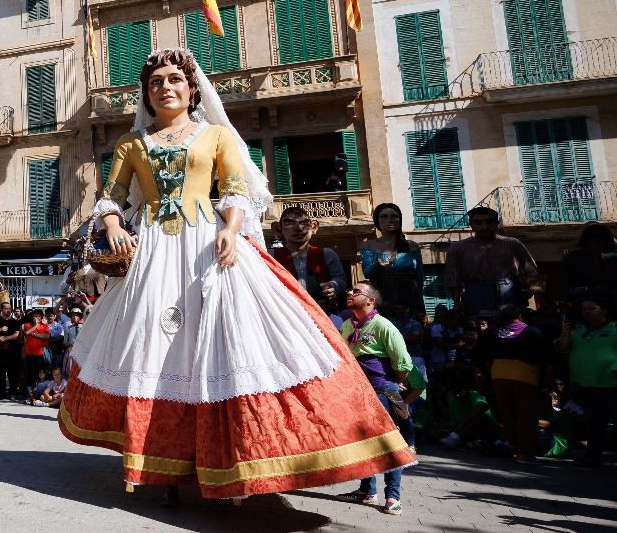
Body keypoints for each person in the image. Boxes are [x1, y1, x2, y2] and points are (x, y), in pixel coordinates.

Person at [58, 49, 412, 501]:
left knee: (219, 345)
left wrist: (229, 229)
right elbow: (110, 197)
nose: (165, 87)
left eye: (174, 80)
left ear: (191, 89)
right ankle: (153, 460)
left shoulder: (216, 136)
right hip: (151, 253)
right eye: (155, 83)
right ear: (146, 95)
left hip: (206, 244)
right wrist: (113, 227)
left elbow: (235, 189)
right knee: (152, 345)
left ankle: (228, 462)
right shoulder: (132, 145)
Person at [340, 283, 419, 515]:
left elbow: (403, 362)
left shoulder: (384, 326)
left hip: (383, 390)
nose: (349, 293)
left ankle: (393, 496)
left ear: (370, 300)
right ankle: (367, 490)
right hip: (357, 391)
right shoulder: (347, 325)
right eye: (350, 290)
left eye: (356, 291)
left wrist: (393, 383)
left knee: (389, 442)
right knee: (362, 441)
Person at [477, 304, 551, 462]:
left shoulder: (491, 332)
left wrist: (482, 371)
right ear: (520, 317)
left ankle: (510, 446)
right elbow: (545, 356)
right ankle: (523, 453)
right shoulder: (532, 332)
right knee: (525, 415)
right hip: (526, 376)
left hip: (499, 376)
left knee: (507, 414)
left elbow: (479, 355)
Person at [445, 207, 538, 318]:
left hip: (510, 294)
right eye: (478, 222)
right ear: (471, 224)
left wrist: (527, 295)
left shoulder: (513, 244)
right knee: (481, 331)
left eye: (489, 222)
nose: (484, 227)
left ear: (497, 223)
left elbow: (532, 271)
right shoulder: (457, 248)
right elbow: (452, 279)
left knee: (512, 331)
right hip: (475, 296)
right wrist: (457, 302)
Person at [559, 293, 616, 467]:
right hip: (587, 385)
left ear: (604, 310)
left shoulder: (614, 328)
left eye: (592, 308)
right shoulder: (578, 330)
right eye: (584, 309)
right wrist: (566, 335)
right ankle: (592, 457)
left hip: (611, 384)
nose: (587, 312)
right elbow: (562, 348)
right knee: (593, 424)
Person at [269, 206, 349, 320]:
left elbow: (340, 279)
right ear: (278, 229)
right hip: (285, 316)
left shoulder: (327, 254)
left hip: (322, 315)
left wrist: (334, 286)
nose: (299, 228)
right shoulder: (271, 256)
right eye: (289, 223)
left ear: (314, 227)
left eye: (304, 223)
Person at [359, 203, 425, 316]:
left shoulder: (411, 246)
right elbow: (367, 273)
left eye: (394, 216)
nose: (390, 220)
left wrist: (421, 308)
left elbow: (419, 278)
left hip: (409, 299)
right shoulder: (368, 245)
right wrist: (379, 265)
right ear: (377, 221)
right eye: (384, 216)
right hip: (382, 298)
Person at [561, 223, 617, 304]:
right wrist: (588, 289)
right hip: (583, 306)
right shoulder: (573, 258)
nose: (596, 239)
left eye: (600, 236)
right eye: (592, 236)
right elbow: (565, 290)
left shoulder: (613, 258)